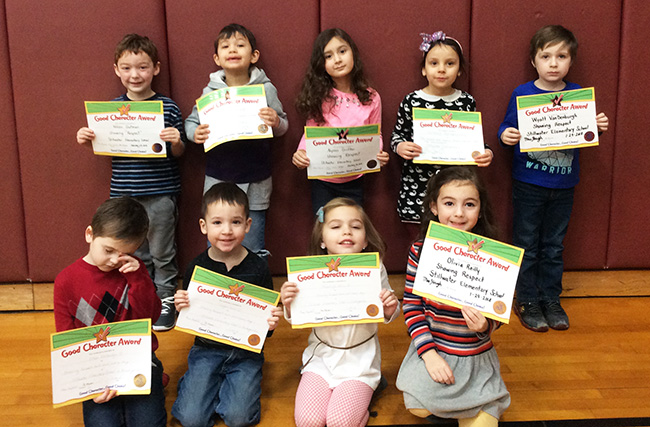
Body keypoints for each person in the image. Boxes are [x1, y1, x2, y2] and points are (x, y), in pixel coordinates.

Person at [498, 25, 609, 332]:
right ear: (534, 61)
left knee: (554, 246)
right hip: (529, 183)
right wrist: (505, 135)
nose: (553, 63)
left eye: (561, 56)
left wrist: (596, 125)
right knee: (527, 244)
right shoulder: (522, 93)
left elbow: (586, 133)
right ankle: (528, 299)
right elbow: (506, 127)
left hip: (564, 185)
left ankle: (550, 298)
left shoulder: (576, 96)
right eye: (545, 56)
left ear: (571, 61)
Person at [76, 33, 185, 332]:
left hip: (161, 193)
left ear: (156, 69)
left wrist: (176, 141)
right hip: (123, 197)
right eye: (126, 68)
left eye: (142, 67)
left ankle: (164, 298)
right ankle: (141, 299)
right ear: (116, 69)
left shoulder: (168, 107)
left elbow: (180, 152)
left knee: (163, 251)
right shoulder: (109, 111)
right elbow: (105, 147)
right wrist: (88, 140)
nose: (134, 74)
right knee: (134, 251)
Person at [396, 167, 510, 427]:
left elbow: (498, 310)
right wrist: (429, 354)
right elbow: (412, 307)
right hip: (436, 347)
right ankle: (454, 405)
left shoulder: (494, 255)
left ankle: (479, 402)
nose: (459, 213)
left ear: (480, 209)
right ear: (434, 207)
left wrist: (485, 325)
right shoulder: (420, 250)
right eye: (449, 203)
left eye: (469, 204)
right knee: (418, 407)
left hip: (473, 354)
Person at [280, 198, 400, 427]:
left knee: (340, 422)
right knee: (308, 421)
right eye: (335, 226)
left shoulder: (375, 269)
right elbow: (298, 315)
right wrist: (288, 303)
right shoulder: (309, 271)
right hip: (320, 360)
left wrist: (390, 308)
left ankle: (367, 396)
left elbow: (388, 313)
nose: (346, 231)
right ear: (322, 240)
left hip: (360, 364)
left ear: (365, 240)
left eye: (355, 227)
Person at [171, 183, 283, 427]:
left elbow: (266, 327)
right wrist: (182, 307)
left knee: (238, 418)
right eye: (217, 222)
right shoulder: (196, 268)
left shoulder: (259, 268)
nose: (227, 231)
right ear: (204, 226)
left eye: (236, 222)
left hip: (245, 353)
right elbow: (190, 318)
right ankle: (196, 383)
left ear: (248, 225)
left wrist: (271, 323)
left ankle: (222, 386)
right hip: (206, 349)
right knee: (192, 420)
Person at [54, 197, 166, 426]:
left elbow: (151, 317)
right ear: (89, 234)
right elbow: (66, 338)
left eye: (125, 253)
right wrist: (85, 383)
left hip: (137, 359)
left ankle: (156, 374)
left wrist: (138, 278)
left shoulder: (134, 269)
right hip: (94, 366)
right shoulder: (66, 281)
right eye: (108, 250)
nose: (115, 260)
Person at [185, 23, 288, 261]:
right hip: (218, 176)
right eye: (226, 46)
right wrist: (195, 133)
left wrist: (275, 122)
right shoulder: (209, 92)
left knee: (252, 243)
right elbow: (190, 123)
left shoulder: (266, 88)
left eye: (240, 45)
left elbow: (284, 126)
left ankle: (252, 292)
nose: (233, 50)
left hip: (256, 179)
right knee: (219, 239)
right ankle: (220, 291)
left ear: (254, 56)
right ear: (217, 58)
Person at [391, 31, 493, 225]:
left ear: (460, 70)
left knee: (451, 239)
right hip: (418, 183)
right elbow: (398, 135)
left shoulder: (466, 101)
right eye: (434, 63)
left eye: (450, 63)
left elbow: (473, 139)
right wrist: (400, 146)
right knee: (420, 241)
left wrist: (486, 152)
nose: (441, 70)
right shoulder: (411, 100)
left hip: (455, 188)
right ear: (424, 69)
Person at [292, 28, 390, 214]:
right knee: (324, 231)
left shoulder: (371, 97)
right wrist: (300, 153)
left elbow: (376, 134)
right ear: (321, 64)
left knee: (352, 229)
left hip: (355, 179)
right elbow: (311, 133)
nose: (337, 60)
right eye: (328, 56)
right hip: (323, 181)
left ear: (353, 53)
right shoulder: (318, 96)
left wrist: (378, 153)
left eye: (342, 51)